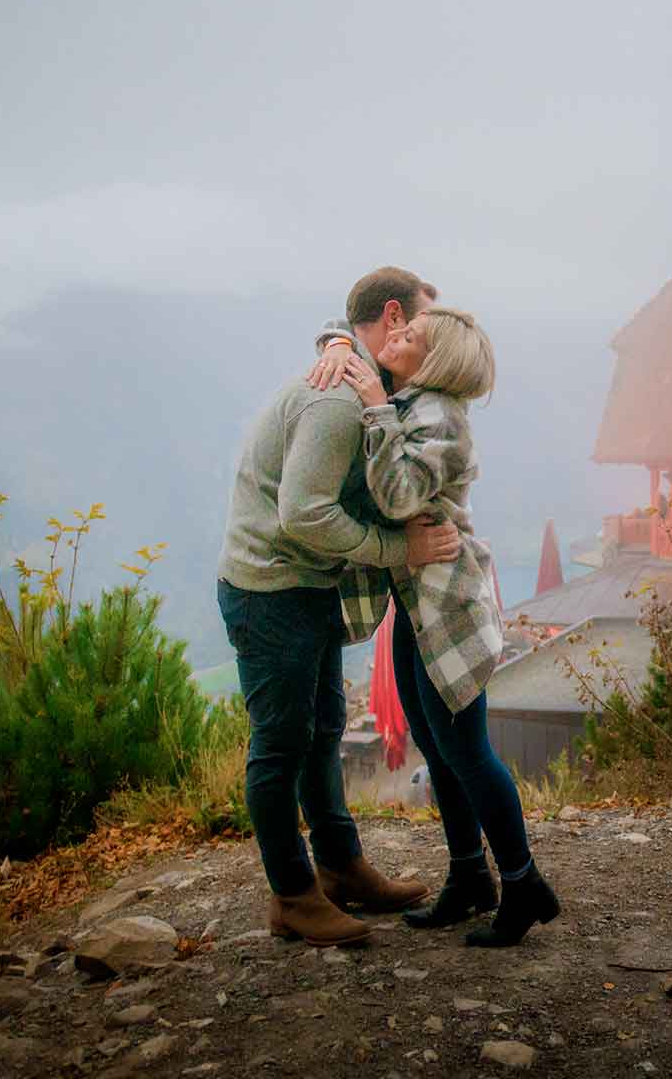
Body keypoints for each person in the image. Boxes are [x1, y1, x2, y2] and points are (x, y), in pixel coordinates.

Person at [216, 266, 454, 947]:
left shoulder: (354, 380)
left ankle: (342, 868)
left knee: (322, 729)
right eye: (424, 330)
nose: (430, 348)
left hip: (303, 586)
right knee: (281, 744)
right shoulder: (336, 403)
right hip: (270, 591)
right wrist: (395, 548)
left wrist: (337, 340)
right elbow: (301, 513)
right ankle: (293, 895)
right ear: (393, 318)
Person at [325, 307, 561, 946]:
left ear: (432, 361)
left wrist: (374, 403)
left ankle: (523, 883)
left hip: (447, 605)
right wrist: (339, 341)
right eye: (398, 330)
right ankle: (467, 879)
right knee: (436, 741)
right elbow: (351, 320)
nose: (395, 338)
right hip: (416, 601)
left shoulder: (440, 416)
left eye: (411, 337)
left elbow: (399, 497)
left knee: (467, 751)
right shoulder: (413, 400)